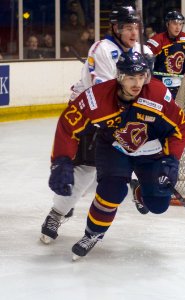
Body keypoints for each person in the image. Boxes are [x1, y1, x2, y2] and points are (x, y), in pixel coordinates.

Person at [48, 51, 185, 260]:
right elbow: (68, 125)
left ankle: (140, 190)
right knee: (111, 191)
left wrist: (171, 160)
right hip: (115, 149)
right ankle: (93, 233)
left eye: (141, 77)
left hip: (150, 152)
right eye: (132, 77)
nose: (137, 83)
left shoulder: (158, 94)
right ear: (120, 77)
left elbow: (180, 127)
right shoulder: (97, 98)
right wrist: (61, 160)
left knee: (158, 205)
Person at [40, 5, 153, 244]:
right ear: (115, 28)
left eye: (136, 27)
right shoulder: (103, 49)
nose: (134, 33)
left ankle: (129, 180)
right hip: (93, 116)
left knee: (127, 161)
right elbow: (105, 94)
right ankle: (57, 213)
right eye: (128, 28)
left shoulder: (142, 50)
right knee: (84, 173)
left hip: (123, 115)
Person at [145, 11, 185, 161]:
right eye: (174, 23)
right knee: (160, 120)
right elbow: (145, 65)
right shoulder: (156, 42)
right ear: (167, 24)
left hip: (181, 87)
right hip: (160, 89)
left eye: (180, 24)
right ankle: (158, 149)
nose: (177, 27)